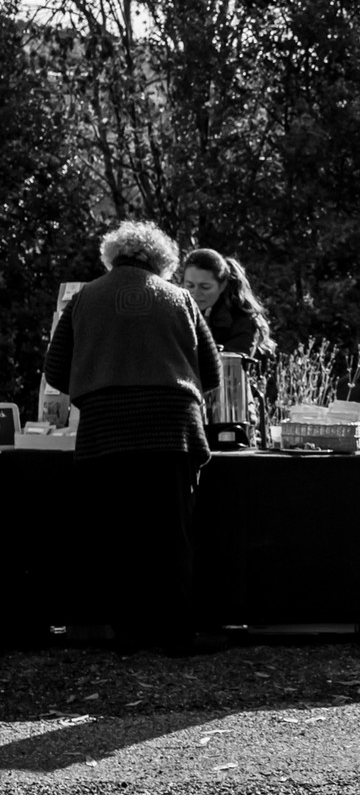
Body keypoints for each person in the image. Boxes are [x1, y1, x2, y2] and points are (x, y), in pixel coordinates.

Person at [44, 219, 221, 651]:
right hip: (171, 427)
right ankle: (177, 635)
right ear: (162, 261)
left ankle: (127, 634)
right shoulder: (180, 298)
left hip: (106, 429)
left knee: (117, 533)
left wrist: (100, 385)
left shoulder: (84, 298)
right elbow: (212, 371)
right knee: (171, 534)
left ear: (111, 256)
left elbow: (55, 370)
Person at [180, 250, 276, 361]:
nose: (195, 293)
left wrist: (205, 341)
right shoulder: (175, 314)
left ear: (222, 285)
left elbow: (231, 367)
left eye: (205, 287)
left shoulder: (242, 321)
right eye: (190, 286)